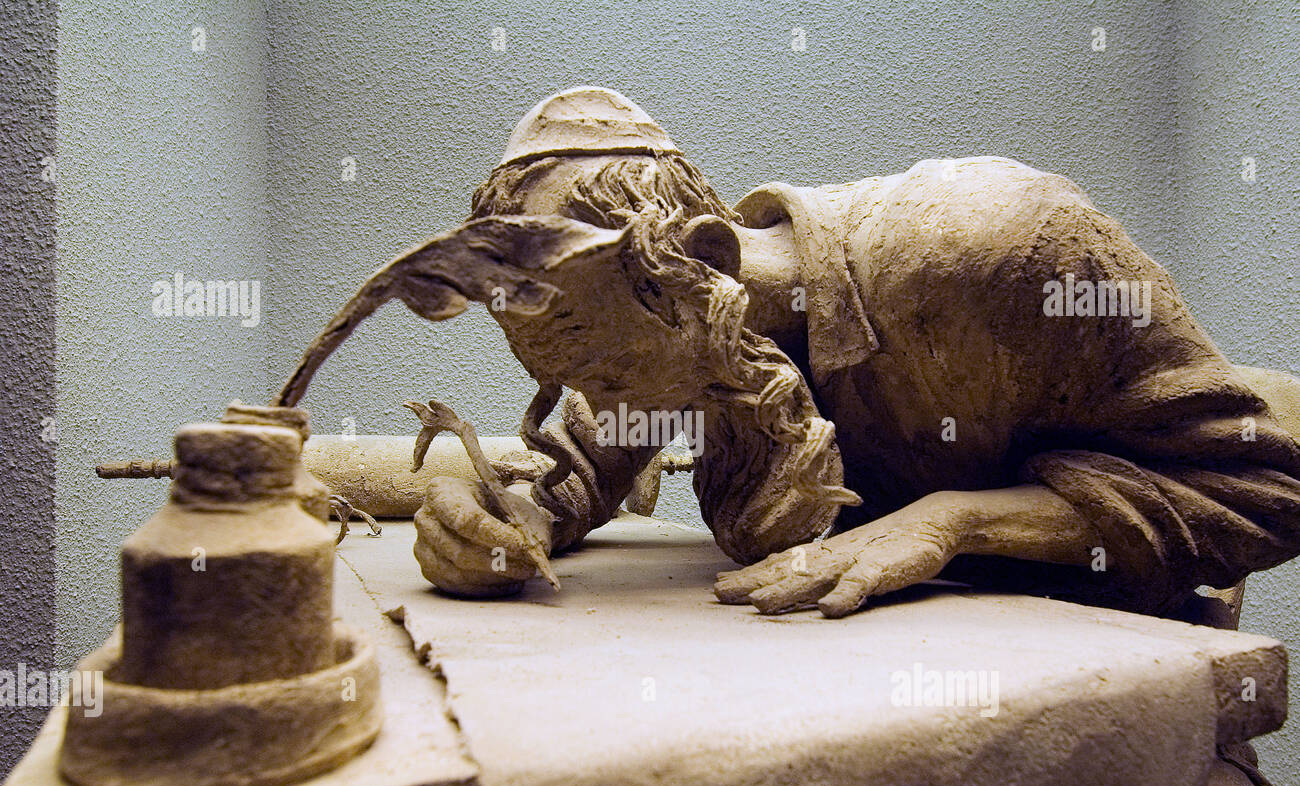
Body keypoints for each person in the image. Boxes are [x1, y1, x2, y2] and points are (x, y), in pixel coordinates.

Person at [390, 87, 1300, 622]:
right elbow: (584, 458)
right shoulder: (701, 331)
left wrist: (955, 521)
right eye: (574, 380)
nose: (602, 402)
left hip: (1116, 680)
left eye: (612, 375)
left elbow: (1266, 487)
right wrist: (499, 514)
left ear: (701, 266)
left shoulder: (998, 252)